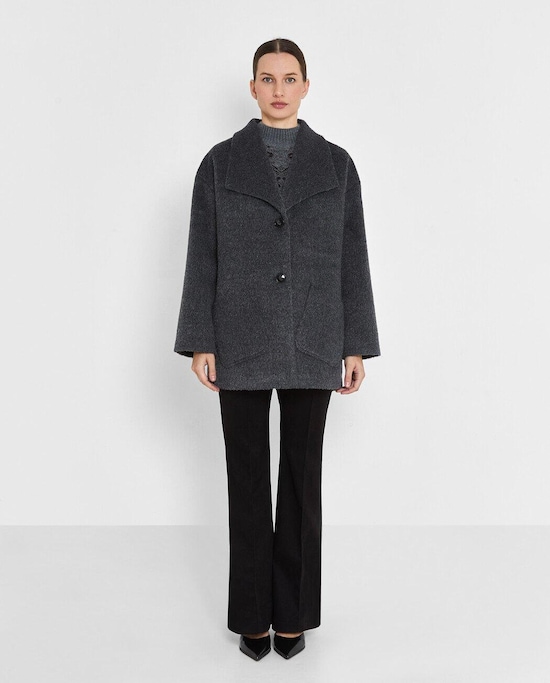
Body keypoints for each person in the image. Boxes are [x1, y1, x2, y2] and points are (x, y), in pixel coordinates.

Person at [174, 37, 380, 661]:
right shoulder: (219, 164)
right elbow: (202, 254)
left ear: (306, 87)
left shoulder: (337, 165)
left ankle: (293, 615)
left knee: (301, 479)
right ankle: (251, 615)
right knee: (246, 480)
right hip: (239, 335)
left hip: (316, 335)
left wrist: (356, 343)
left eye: (290, 78)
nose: (280, 89)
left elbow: (352, 257)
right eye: (268, 78)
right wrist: (200, 338)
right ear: (253, 87)